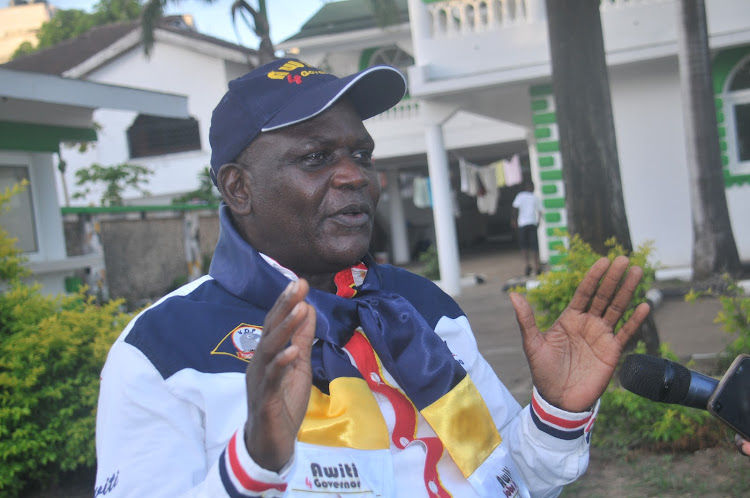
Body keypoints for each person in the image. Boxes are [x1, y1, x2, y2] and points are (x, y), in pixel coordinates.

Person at [94, 58, 651, 497]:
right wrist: (253, 466)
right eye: (316, 158)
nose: (354, 175)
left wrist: (558, 414)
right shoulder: (161, 349)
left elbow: (515, 481)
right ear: (239, 188)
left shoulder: (425, 307)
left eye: (361, 153)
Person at [511, 180, 543, 277]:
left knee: (527, 246)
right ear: (530, 187)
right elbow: (540, 211)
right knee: (531, 246)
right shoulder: (529, 197)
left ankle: (531, 265)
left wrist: (513, 220)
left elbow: (514, 209)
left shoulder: (525, 197)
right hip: (529, 223)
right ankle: (533, 266)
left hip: (525, 224)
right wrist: (539, 222)